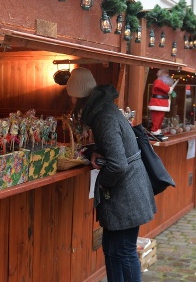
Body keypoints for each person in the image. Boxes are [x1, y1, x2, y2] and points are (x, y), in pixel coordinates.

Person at [66, 67, 156, 281]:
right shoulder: (105, 110)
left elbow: (118, 165)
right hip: (130, 190)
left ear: (78, 96)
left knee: (122, 251)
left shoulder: (103, 117)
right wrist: (98, 152)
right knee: (115, 250)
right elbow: (117, 153)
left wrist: (103, 185)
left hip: (125, 194)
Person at [148, 69, 173, 135]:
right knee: (157, 118)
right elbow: (166, 89)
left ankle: (157, 130)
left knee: (161, 118)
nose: (167, 75)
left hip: (162, 103)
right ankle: (155, 130)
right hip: (158, 103)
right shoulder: (158, 81)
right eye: (165, 73)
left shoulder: (162, 82)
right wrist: (169, 88)